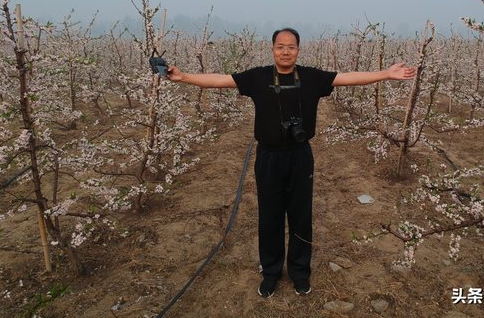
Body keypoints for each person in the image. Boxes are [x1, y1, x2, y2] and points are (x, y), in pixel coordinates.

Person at [166, 28, 417, 298]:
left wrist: (386, 74)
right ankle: (271, 272)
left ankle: (299, 272)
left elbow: (348, 78)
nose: (286, 51)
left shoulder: (311, 78)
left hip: (299, 156)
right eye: (280, 46)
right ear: (272, 49)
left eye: (292, 46)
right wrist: (183, 77)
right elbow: (219, 80)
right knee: (270, 216)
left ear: (298, 50)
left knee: (300, 215)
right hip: (268, 157)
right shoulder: (258, 77)